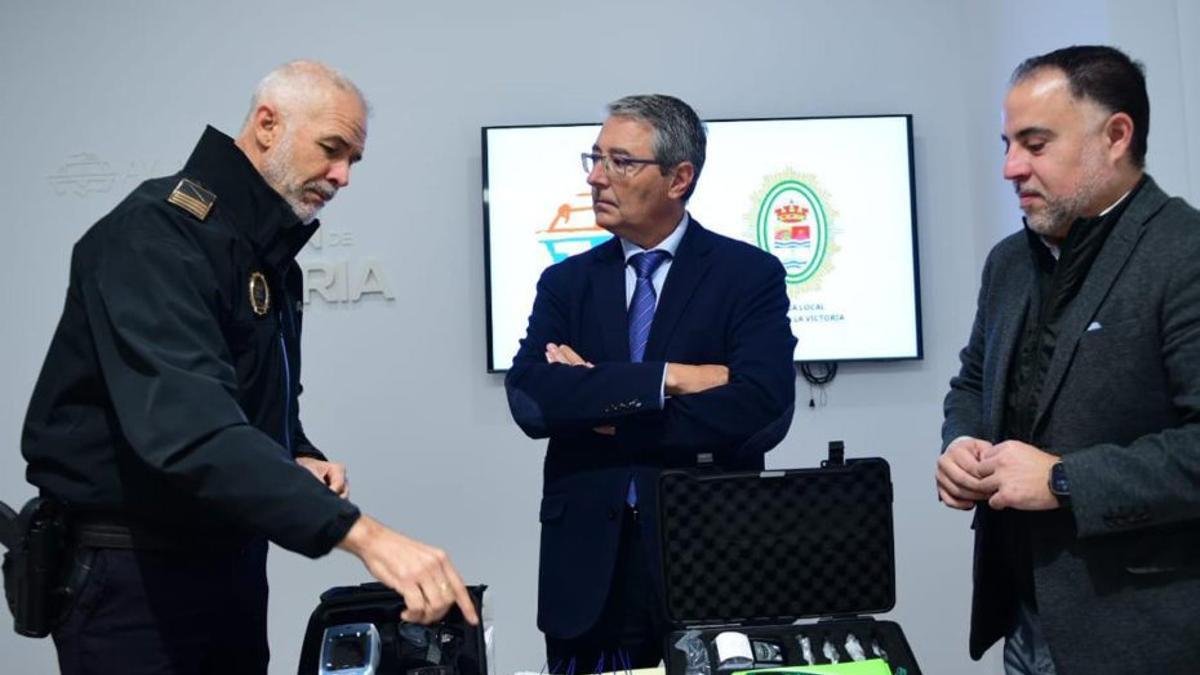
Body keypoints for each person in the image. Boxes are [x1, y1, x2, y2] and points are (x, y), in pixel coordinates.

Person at [20, 60, 477, 674]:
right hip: (136, 582)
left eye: (353, 161)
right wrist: (365, 536)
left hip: (228, 567)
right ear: (267, 125)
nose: (342, 176)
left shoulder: (266, 255)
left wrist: (297, 454)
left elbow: (249, 403)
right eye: (332, 149)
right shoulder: (154, 237)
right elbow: (191, 428)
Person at [505, 94, 796, 672]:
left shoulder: (747, 275)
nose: (595, 177)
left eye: (620, 162)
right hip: (587, 572)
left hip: (713, 563)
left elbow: (761, 408)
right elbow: (533, 400)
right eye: (594, 158)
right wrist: (670, 379)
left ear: (678, 178)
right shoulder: (566, 283)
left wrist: (603, 406)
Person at [938, 45, 1200, 674]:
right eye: (1007, 144)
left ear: (1116, 136)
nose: (1010, 167)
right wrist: (961, 441)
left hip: (1141, 634)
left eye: (1035, 144)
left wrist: (1063, 481)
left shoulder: (1184, 255)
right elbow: (972, 380)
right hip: (1024, 616)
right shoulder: (1008, 262)